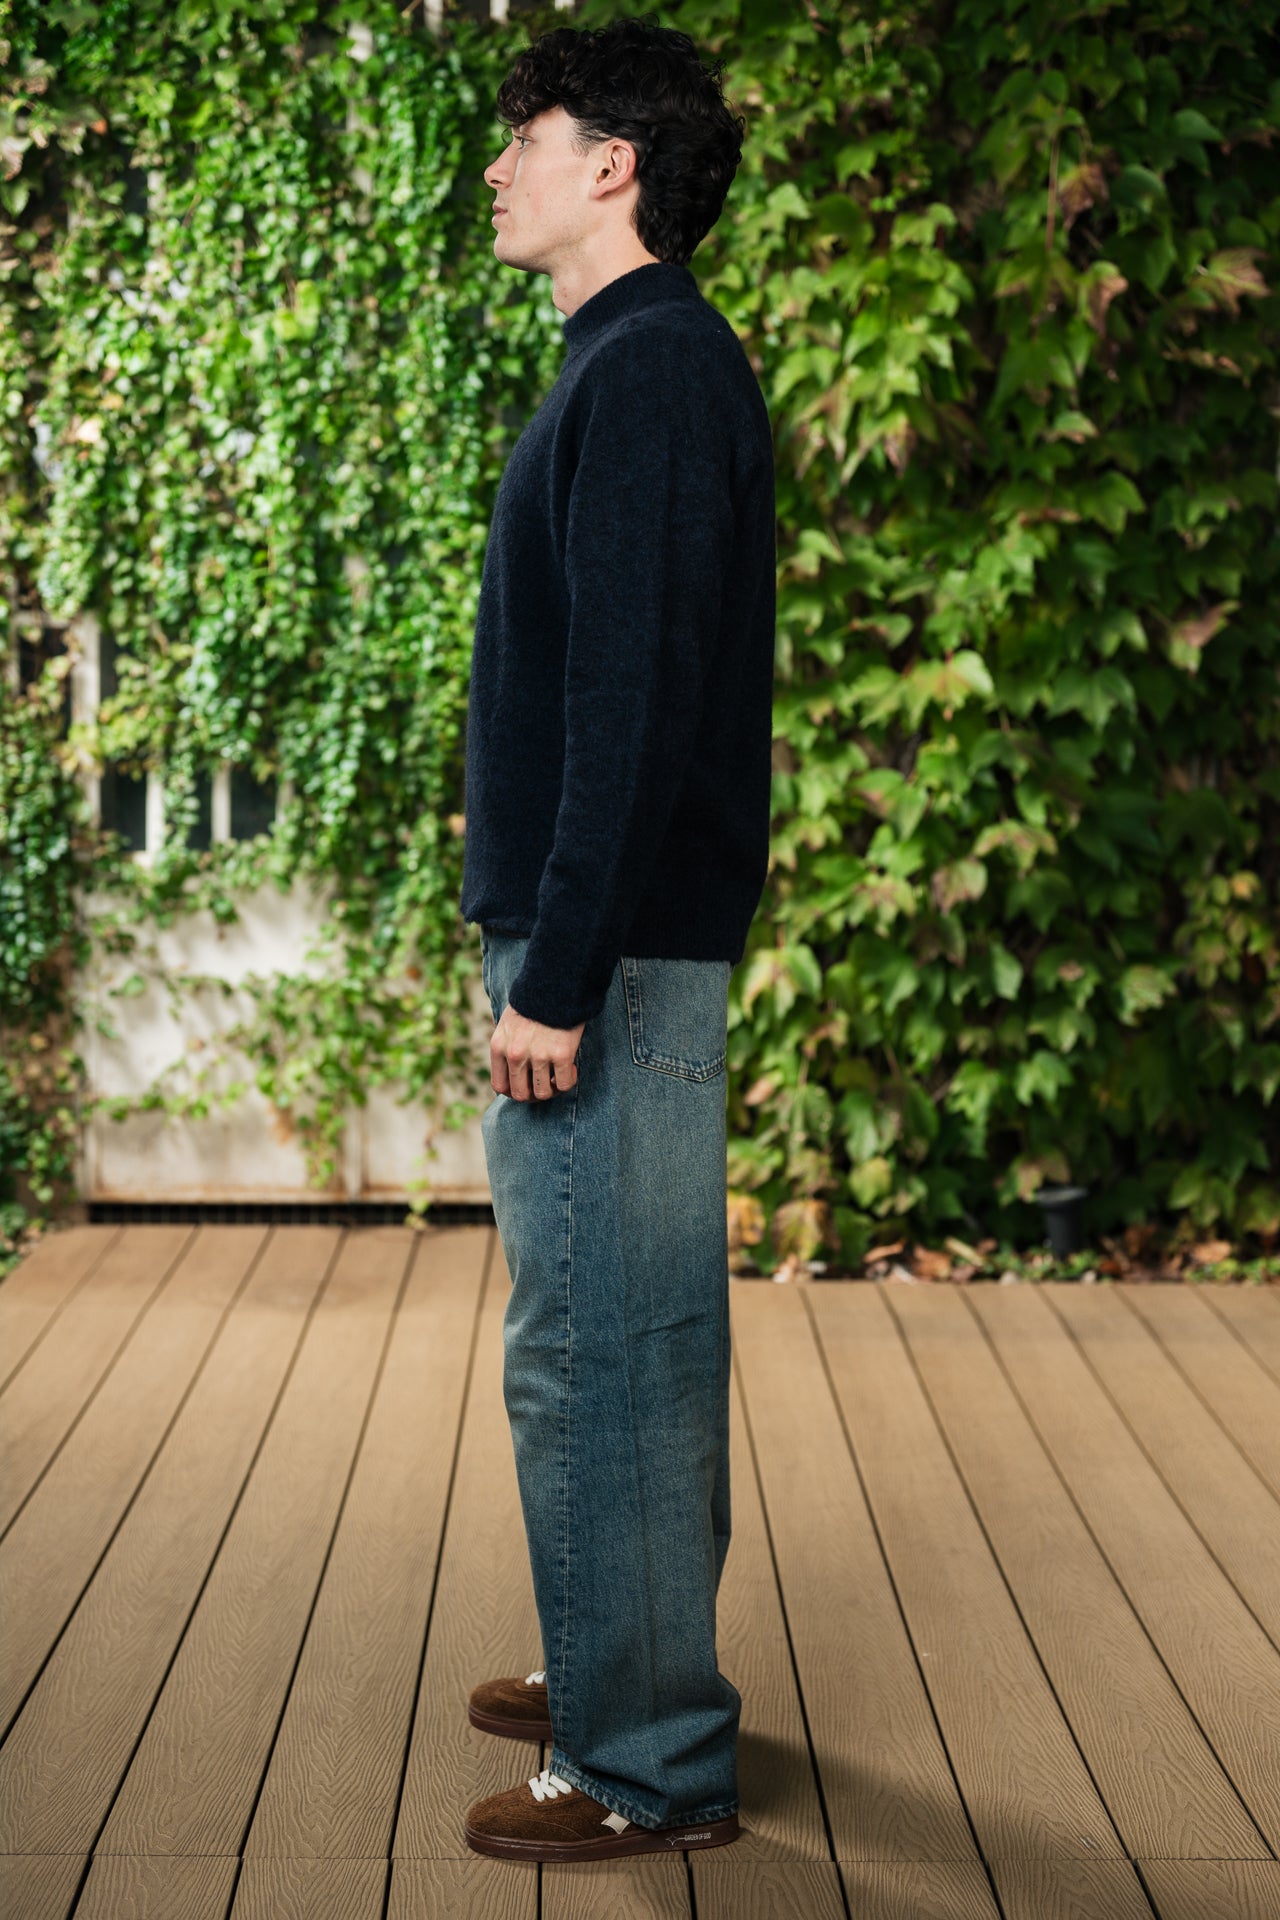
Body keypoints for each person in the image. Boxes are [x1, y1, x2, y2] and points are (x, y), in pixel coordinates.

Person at [458, 12, 776, 1865]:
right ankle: (615, 1660)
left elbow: (633, 707)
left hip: (616, 959)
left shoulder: (650, 370)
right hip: (609, 944)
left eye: (531, 133)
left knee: (607, 1352)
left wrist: (558, 973)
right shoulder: (630, 360)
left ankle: (644, 1761)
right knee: (601, 1334)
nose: (500, 163)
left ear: (614, 165)